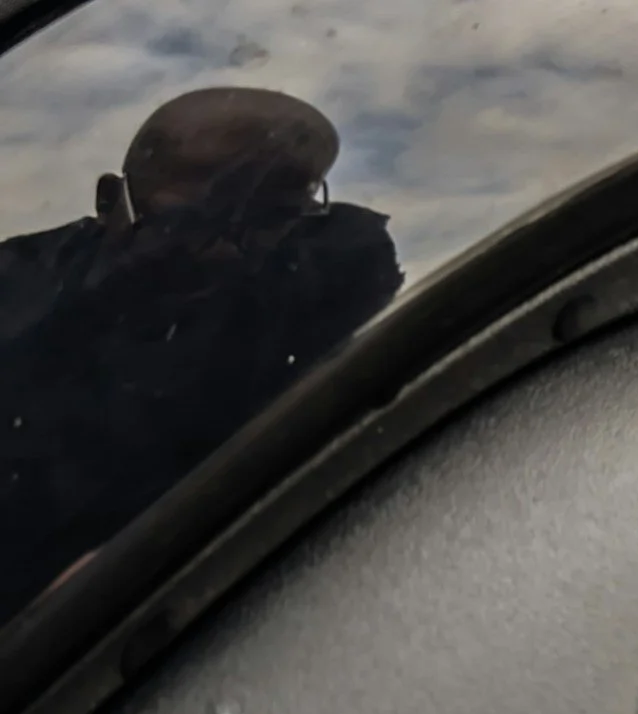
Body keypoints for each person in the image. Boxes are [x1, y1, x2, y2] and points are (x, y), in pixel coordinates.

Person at [0, 87, 402, 620]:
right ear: (108, 202)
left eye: (267, 217)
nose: (225, 250)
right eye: (189, 220)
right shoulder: (18, 288)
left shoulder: (323, 269)